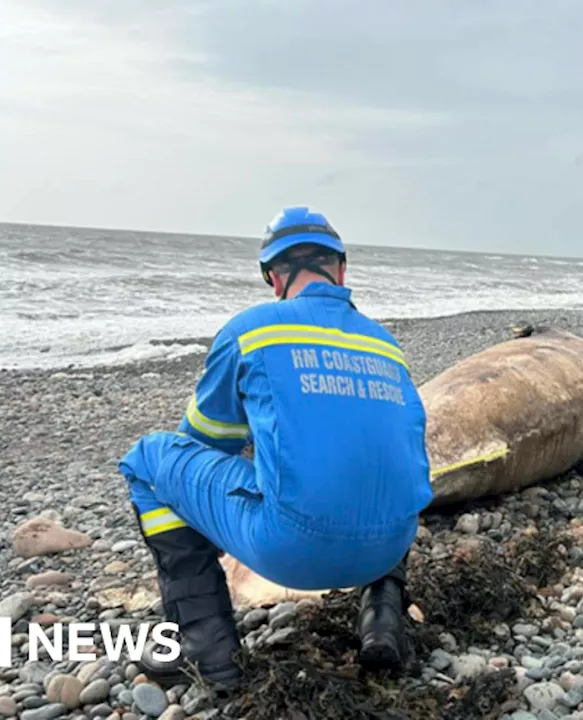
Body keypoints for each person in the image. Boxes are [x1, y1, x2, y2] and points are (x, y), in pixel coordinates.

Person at [115, 206, 435, 690]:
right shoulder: (387, 346)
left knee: (149, 461)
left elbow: (201, 443)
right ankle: (383, 622)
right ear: (341, 268)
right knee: (377, 466)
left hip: (294, 549)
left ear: (273, 276)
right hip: (390, 545)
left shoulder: (253, 329)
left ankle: (206, 644)